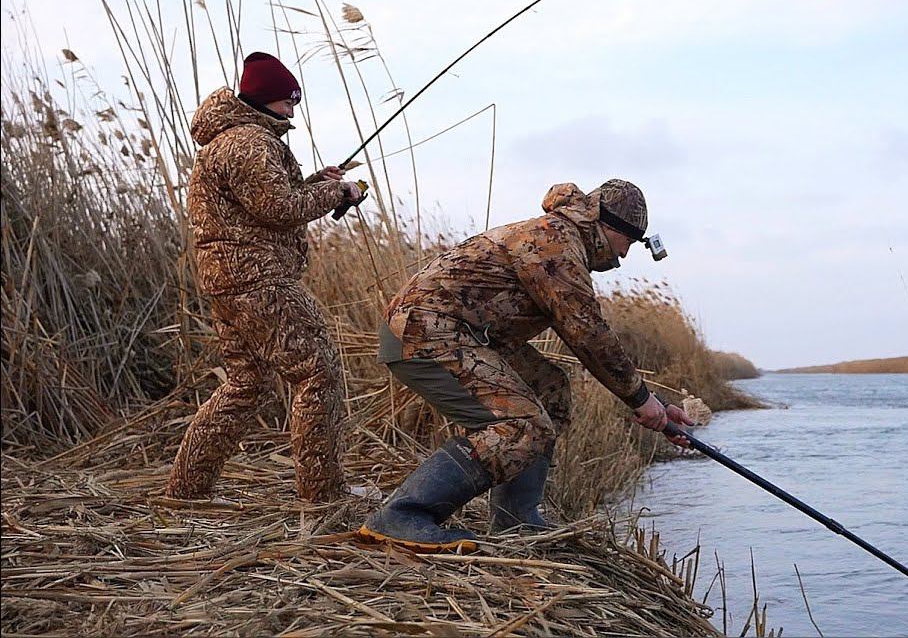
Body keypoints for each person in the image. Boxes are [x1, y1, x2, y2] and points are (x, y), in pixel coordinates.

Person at [357, 179, 693, 553]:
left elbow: (593, 342)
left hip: (460, 333)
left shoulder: (562, 238)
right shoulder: (557, 245)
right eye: (629, 243)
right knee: (521, 426)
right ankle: (402, 516)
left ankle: (515, 519)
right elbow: (589, 336)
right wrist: (641, 400)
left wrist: (654, 403)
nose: (625, 256)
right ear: (610, 227)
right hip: (422, 332)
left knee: (549, 390)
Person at [166, 52, 365, 503]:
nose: (292, 112)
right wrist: (337, 191)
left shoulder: (230, 141)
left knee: (245, 384)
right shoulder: (249, 143)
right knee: (319, 373)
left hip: (230, 282)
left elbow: (265, 202)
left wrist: (318, 181)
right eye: (287, 102)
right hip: (259, 281)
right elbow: (279, 210)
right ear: (265, 99)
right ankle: (325, 495)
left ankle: (186, 491)